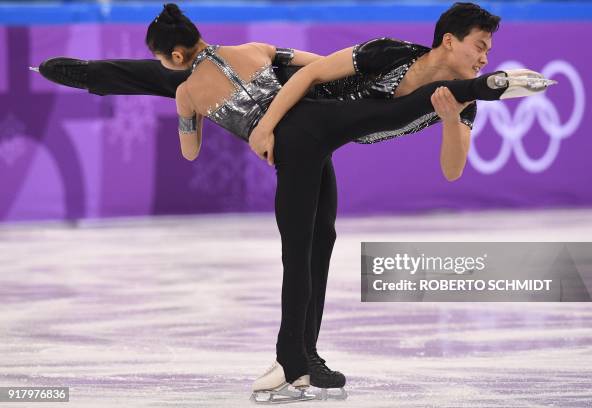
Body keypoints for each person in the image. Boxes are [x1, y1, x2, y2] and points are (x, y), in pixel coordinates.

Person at [35, 3, 555, 403]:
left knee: (319, 241)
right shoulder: (385, 52)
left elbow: (451, 168)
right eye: (481, 46)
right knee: (302, 237)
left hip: (316, 134)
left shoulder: (454, 101)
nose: (485, 51)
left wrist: (447, 116)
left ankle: (305, 356)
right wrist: (264, 124)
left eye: (488, 55)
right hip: (306, 121)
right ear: (448, 40)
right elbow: (308, 72)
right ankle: (291, 357)